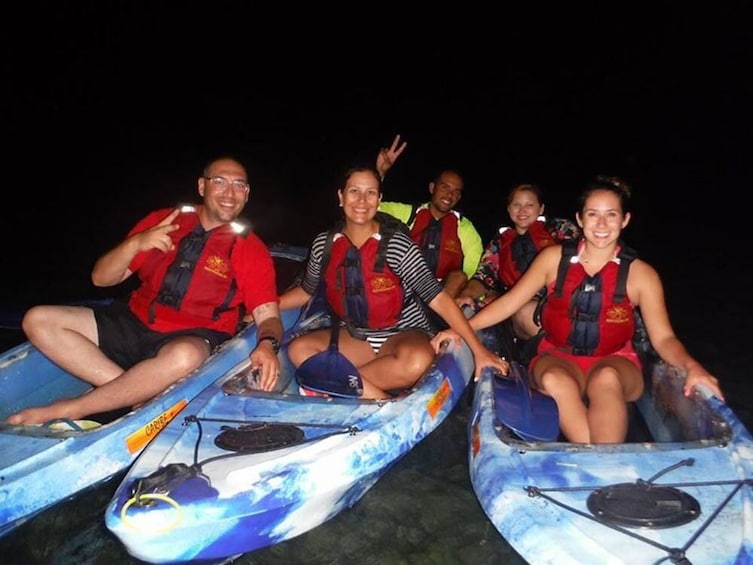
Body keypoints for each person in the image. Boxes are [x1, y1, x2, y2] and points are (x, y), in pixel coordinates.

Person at [431, 175, 723, 443]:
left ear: (625, 220)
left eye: (611, 215)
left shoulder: (642, 275)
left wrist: (691, 366)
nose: (601, 224)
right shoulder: (551, 259)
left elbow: (664, 339)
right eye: (593, 214)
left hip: (616, 361)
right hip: (556, 356)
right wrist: (459, 328)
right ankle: (593, 457)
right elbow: (509, 303)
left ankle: (604, 454)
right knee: (556, 380)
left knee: (605, 379)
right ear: (579, 220)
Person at [7, 157, 284, 425]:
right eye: (220, 182)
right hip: (133, 321)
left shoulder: (250, 248)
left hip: (189, 337)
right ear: (202, 186)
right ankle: (134, 393)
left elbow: (268, 315)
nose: (230, 193)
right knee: (38, 319)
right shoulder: (164, 219)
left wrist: (267, 345)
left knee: (186, 356)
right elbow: (101, 279)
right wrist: (137, 243)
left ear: (247, 195)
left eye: (240, 185)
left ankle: (72, 408)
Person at [279, 166, 508, 400]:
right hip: (358, 335)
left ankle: (334, 387)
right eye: (354, 191)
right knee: (299, 350)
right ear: (341, 196)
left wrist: (479, 351)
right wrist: (267, 304)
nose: (361, 200)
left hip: (403, 333)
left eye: (370, 193)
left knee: (418, 362)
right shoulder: (323, 244)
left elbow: (438, 298)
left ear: (379, 200)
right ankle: (376, 396)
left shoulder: (397, 245)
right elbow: (306, 291)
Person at [457, 183, 580, 341]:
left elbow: (585, 257)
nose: (522, 211)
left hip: (565, 301)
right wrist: (466, 295)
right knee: (522, 310)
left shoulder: (560, 229)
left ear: (541, 209)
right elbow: (484, 276)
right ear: (509, 209)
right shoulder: (500, 242)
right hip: (520, 308)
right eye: (516, 205)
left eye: (529, 205)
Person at [376, 134, 483, 299]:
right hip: (405, 286)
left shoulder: (465, 227)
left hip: (443, 295)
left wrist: (466, 295)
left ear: (459, 198)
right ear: (432, 188)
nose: (449, 194)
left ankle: (438, 320)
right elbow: (369, 207)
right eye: (445, 187)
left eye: (456, 191)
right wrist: (379, 173)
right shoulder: (409, 213)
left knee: (459, 276)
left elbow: (474, 270)